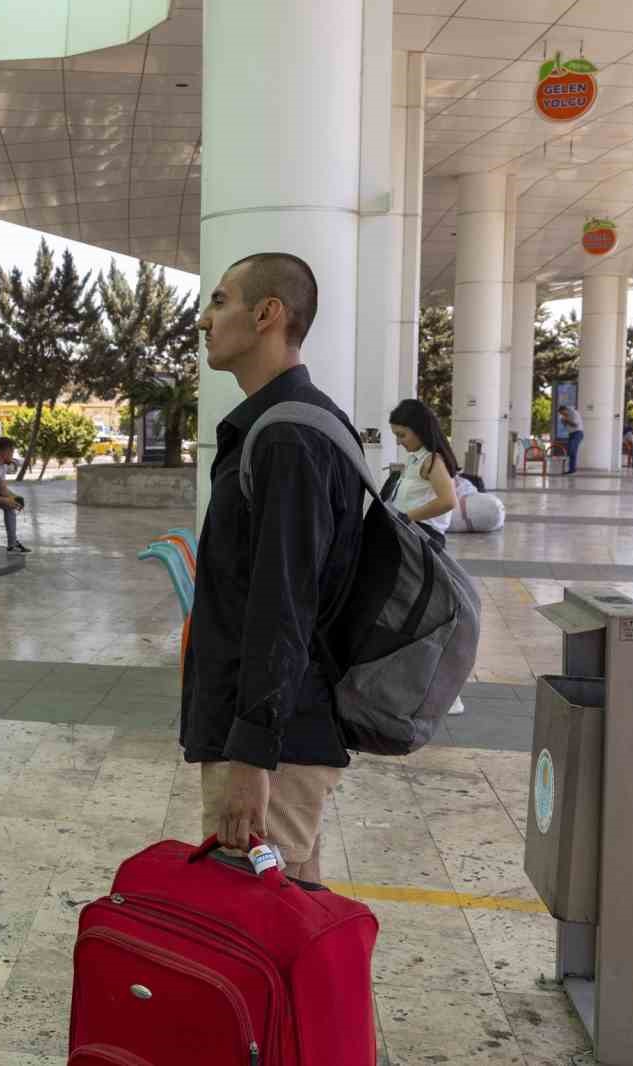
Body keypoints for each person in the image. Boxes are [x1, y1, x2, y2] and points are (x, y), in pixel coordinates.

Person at [181, 252, 363, 886]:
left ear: (267, 314)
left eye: (221, 301)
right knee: (290, 929)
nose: (205, 320)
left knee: (251, 941)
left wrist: (252, 758)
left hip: (272, 747)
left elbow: (282, 606)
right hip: (279, 735)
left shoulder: (287, 435)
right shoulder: (289, 424)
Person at [388, 399, 459, 547]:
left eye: (402, 435)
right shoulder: (416, 458)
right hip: (411, 532)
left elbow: (448, 502)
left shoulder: (432, 461)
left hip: (422, 537)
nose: (398, 442)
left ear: (420, 430)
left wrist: (406, 518)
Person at [561, 404, 584, 473]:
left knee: (571, 449)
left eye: (562, 413)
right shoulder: (565, 416)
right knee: (572, 453)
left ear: (565, 410)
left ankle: (572, 469)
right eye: (561, 414)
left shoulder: (574, 413)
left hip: (577, 433)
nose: (562, 414)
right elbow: (567, 426)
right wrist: (564, 422)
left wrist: (566, 420)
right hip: (571, 434)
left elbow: (575, 424)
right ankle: (572, 469)